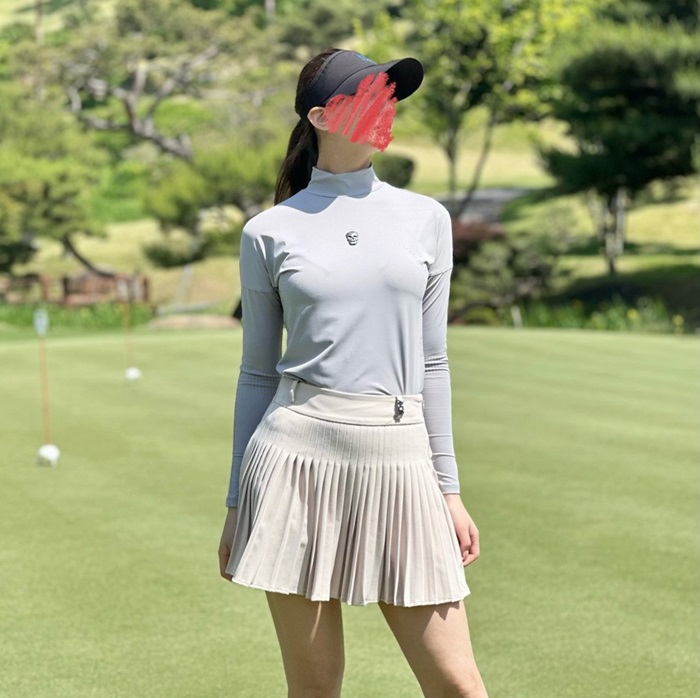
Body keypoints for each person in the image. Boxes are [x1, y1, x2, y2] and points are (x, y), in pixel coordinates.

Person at [218, 48, 489, 698]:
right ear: (319, 115)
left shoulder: (426, 218)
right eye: (371, 95)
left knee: (458, 684)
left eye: (391, 96)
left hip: (401, 457)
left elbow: (432, 362)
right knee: (316, 687)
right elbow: (257, 374)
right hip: (294, 461)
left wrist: (448, 490)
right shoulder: (268, 232)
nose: (387, 107)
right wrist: (235, 504)